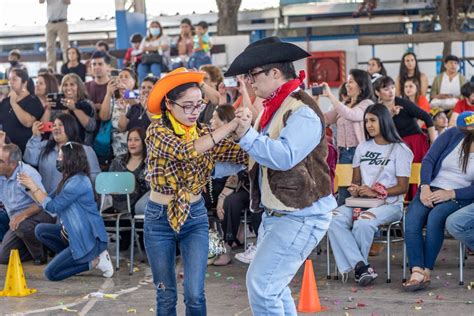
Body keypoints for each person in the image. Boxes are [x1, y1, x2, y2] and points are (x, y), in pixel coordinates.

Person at [224, 36, 337, 315]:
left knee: (262, 285)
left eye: (254, 74)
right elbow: (262, 155)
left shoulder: (302, 112)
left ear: (275, 73)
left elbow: (284, 156)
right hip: (281, 213)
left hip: (301, 214)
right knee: (272, 286)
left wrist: (246, 135)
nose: (250, 82)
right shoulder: (277, 107)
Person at [144, 67, 247, 315]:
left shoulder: (202, 132)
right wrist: (230, 124)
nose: (194, 112)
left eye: (198, 105)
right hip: (159, 218)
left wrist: (245, 129)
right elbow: (186, 151)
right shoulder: (157, 131)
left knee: (195, 294)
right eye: (187, 105)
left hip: (195, 216)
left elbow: (239, 153)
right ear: (169, 104)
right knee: (166, 294)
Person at [328, 103, 413, 285]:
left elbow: (403, 187)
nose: (369, 125)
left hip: (390, 205)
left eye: (373, 120)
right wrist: (355, 188)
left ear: (384, 121)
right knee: (333, 218)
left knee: (363, 223)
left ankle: (359, 267)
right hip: (362, 202)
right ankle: (361, 266)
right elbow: (356, 180)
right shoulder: (362, 147)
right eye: (366, 121)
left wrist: (375, 192)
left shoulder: (401, 150)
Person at [18, 142, 113, 281]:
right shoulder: (68, 180)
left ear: (71, 159)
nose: (58, 160)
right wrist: (29, 187)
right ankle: (76, 259)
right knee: (40, 230)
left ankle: (95, 262)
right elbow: (45, 199)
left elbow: (52, 207)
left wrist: (33, 185)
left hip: (89, 239)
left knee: (51, 274)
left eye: (61, 157)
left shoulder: (78, 182)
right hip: (72, 234)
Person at [403, 111, 474, 291]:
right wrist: (425, 186)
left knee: (436, 217)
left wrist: (451, 193)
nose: (466, 132)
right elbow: (429, 159)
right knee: (412, 219)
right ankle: (417, 270)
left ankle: (425, 271)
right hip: (432, 187)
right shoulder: (452, 134)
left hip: (460, 195)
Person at [375, 76, 436, 199]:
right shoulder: (378, 109)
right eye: (386, 89)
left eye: (392, 87)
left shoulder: (402, 103)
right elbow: (380, 129)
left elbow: (427, 117)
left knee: (415, 175)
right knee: (399, 176)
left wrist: (434, 143)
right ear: (377, 92)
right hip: (395, 146)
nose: (391, 91)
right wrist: (391, 114)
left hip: (415, 143)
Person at [322, 69, 375, 205]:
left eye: (351, 81)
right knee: (344, 193)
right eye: (347, 82)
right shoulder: (344, 104)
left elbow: (352, 114)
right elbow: (325, 118)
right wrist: (315, 101)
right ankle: (343, 222)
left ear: (361, 84)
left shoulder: (367, 104)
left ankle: (358, 221)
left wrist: (331, 96)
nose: (347, 85)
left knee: (359, 192)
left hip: (359, 153)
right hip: (343, 154)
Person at [0, 143, 55, 264]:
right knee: (3, 258)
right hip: (17, 222)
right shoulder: (1, 174)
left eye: (1, 161)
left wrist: (23, 215)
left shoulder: (27, 174)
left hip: (41, 215)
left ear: (13, 164)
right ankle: (44, 244)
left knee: (23, 226)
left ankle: (40, 255)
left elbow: (42, 203)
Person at [24, 113, 100, 193]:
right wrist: (35, 137)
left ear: (70, 127)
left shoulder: (85, 150)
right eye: (54, 125)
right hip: (44, 200)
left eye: (60, 125)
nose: (56, 128)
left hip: (71, 201)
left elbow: (95, 178)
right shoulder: (45, 145)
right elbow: (30, 160)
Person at [0, 69, 45, 153]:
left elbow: (28, 122)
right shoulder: (6, 101)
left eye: (14, 79)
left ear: (24, 82)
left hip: (25, 149)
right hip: (6, 149)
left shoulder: (33, 100)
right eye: (9, 79)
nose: (11, 82)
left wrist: (13, 103)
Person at [108, 127, 148, 214]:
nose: (132, 143)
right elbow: (109, 184)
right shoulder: (117, 161)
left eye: (136, 140)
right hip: (117, 205)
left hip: (140, 208)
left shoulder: (149, 163)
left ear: (144, 142)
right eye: (129, 140)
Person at [99, 68, 137, 158]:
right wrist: (108, 93)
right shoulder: (112, 100)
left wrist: (127, 91)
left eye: (126, 77)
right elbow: (103, 117)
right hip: (116, 151)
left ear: (134, 82)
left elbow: (137, 108)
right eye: (120, 77)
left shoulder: (137, 96)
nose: (123, 79)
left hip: (136, 150)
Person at [51, 73, 96, 145]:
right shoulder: (57, 105)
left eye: (72, 84)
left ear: (79, 87)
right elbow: (52, 128)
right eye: (65, 85)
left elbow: (91, 127)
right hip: (61, 147)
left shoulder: (87, 104)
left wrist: (74, 109)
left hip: (82, 146)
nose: (68, 88)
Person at [39, 0, 70, 71]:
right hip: (50, 23)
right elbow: (41, 1)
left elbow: (68, 1)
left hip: (62, 22)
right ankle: (51, 68)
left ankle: (67, 65)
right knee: (50, 47)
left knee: (65, 46)